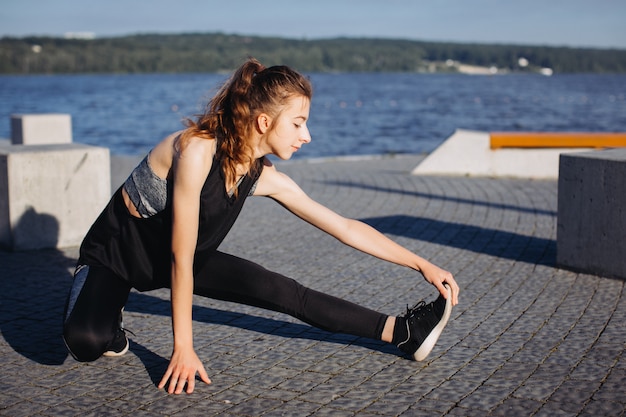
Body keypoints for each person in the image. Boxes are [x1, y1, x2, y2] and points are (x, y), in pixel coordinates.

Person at [62, 57, 460, 395]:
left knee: (283, 291)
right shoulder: (197, 150)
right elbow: (179, 258)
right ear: (265, 121)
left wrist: (420, 263)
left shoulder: (263, 176)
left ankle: (402, 332)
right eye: (299, 123)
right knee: (87, 342)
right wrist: (183, 347)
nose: (308, 135)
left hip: (180, 258)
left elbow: (344, 226)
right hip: (116, 255)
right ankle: (104, 309)